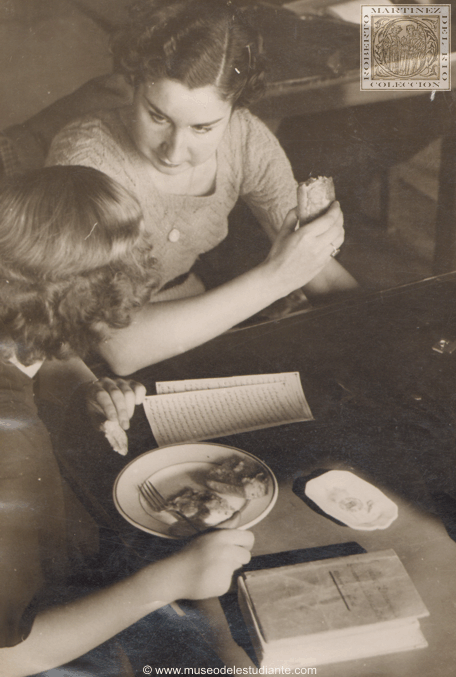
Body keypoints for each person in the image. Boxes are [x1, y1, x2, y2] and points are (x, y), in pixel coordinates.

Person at [0, 165, 254, 676]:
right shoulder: (13, 448)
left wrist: (83, 385)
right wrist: (165, 584)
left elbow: (36, 351)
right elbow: (9, 656)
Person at [46, 0, 357, 376]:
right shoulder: (87, 159)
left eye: (203, 128)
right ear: (134, 83)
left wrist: (393, 325)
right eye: (157, 116)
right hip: (76, 361)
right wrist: (277, 277)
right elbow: (118, 345)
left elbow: (316, 269)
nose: (174, 151)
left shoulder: (243, 137)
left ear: (235, 107)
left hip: (189, 321)